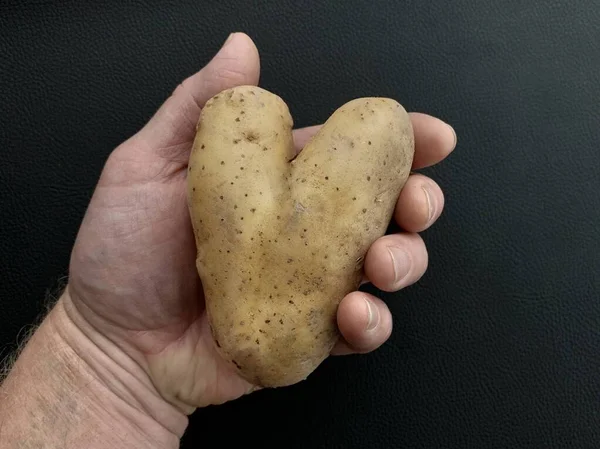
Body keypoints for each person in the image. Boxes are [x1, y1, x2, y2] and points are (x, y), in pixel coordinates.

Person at [0, 33, 456, 447]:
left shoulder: (242, 110)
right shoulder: (241, 115)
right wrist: (103, 347)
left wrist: (111, 367)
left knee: (379, 128)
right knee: (379, 125)